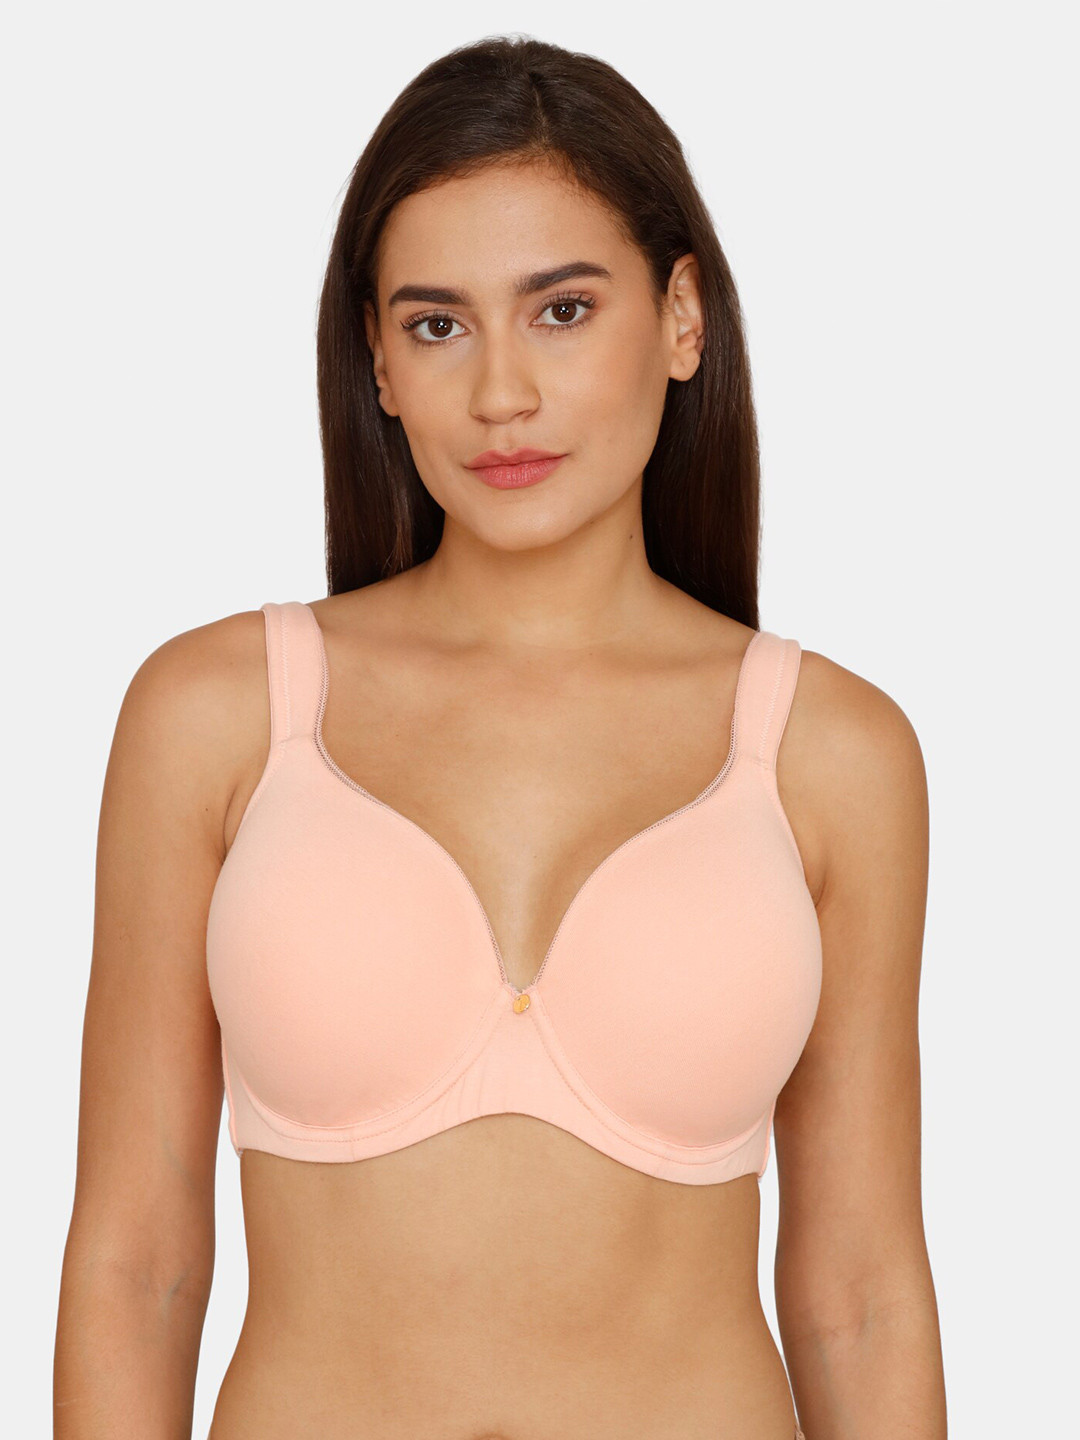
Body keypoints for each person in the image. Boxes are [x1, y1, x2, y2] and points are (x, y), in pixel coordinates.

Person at [54, 34, 947, 1440]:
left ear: (682, 319)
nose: (501, 395)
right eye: (437, 325)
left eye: (563, 310)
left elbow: (861, 1295)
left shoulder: (833, 754)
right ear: (378, 361)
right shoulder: (216, 716)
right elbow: (137, 1266)